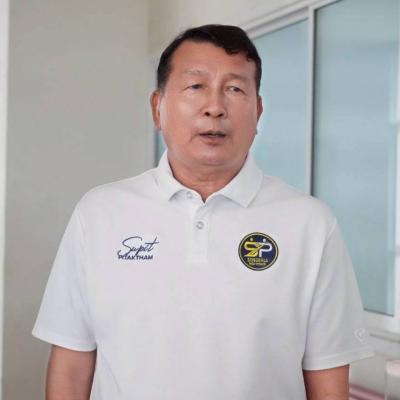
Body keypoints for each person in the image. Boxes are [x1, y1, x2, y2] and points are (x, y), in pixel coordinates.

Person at [33, 24, 374, 399]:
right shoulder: (99, 213)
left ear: (258, 111)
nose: (215, 107)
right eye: (196, 86)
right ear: (158, 108)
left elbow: (327, 378)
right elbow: (71, 366)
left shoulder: (309, 223)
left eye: (235, 89)